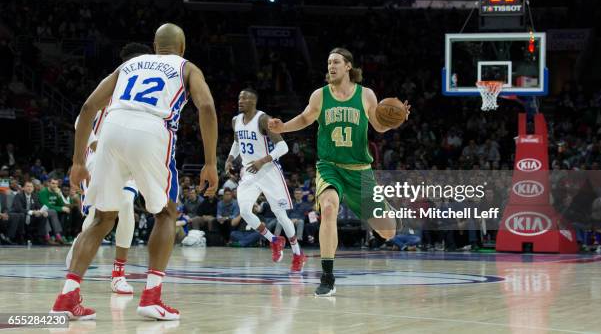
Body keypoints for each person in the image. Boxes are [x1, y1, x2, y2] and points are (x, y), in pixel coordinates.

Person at [50, 23, 218, 321]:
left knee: (102, 218)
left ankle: (67, 296)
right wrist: (210, 162)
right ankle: (152, 296)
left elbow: (88, 107)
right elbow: (206, 107)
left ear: (154, 46)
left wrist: (77, 161)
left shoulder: (129, 64)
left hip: (111, 130)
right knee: (165, 212)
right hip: (152, 129)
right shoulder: (187, 67)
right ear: (182, 48)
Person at [268, 47, 409, 296]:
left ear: (348, 67)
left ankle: (387, 207)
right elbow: (305, 118)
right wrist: (283, 127)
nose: (331, 66)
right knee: (330, 207)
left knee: (388, 232)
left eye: (336, 62)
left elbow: (378, 124)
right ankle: (327, 276)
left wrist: (394, 120)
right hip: (329, 166)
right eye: (329, 62)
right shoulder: (320, 95)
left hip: (360, 171)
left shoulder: (366, 95)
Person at [65, 42, 153, 295]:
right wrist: (92, 142)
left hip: (132, 154)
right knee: (97, 216)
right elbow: (82, 116)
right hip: (99, 155)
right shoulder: (113, 82)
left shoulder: (153, 87)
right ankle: (78, 254)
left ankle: (118, 274)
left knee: (125, 203)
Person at [225, 88, 306, 272]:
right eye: (239, 97)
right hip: (249, 172)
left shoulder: (263, 119)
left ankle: (297, 253)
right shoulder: (235, 120)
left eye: (245, 98)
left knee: (281, 215)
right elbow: (237, 143)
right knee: (245, 211)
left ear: (254, 101)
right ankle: (274, 240)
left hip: (268, 170)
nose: (240, 100)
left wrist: (263, 161)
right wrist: (230, 159)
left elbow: (283, 147)